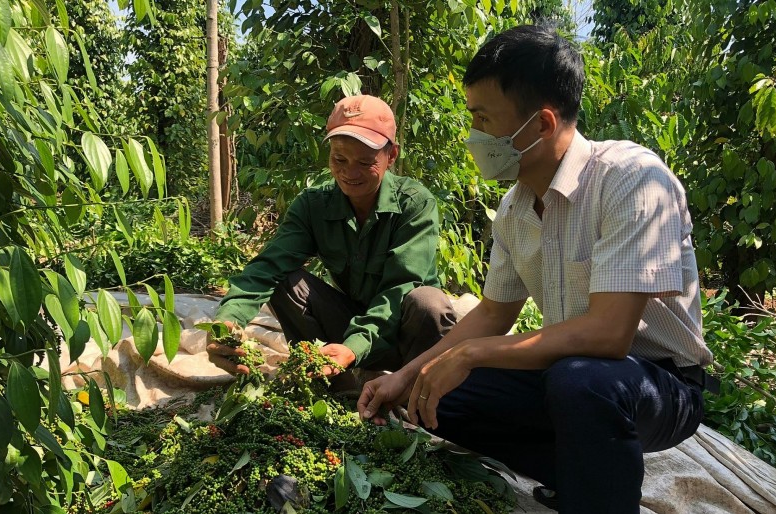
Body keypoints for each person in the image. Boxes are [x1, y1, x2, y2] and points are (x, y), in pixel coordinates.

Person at [357, 25, 715, 513]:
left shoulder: (632, 180)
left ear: (542, 124)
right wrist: (407, 375)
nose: (474, 136)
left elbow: (609, 335)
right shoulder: (515, 208)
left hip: (661, 383)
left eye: (483, 119)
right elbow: (491, 314)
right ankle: (582, 472)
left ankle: (599, 497)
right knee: (437, 398)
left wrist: (473, 354)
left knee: (581, 382)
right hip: (573, 373)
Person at [207, 94, 456, 378]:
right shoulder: (314, 205)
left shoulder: (415, 204)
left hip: (406, 336)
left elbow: (400, 288)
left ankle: (416, 384)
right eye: (339, 158)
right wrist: (226, 321)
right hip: (349, 329)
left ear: (391, 156)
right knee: (285, 280)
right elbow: (267, 268)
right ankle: (329, 382)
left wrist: (353, 347)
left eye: (365, 162)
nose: (350, 172)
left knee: (428, 302)